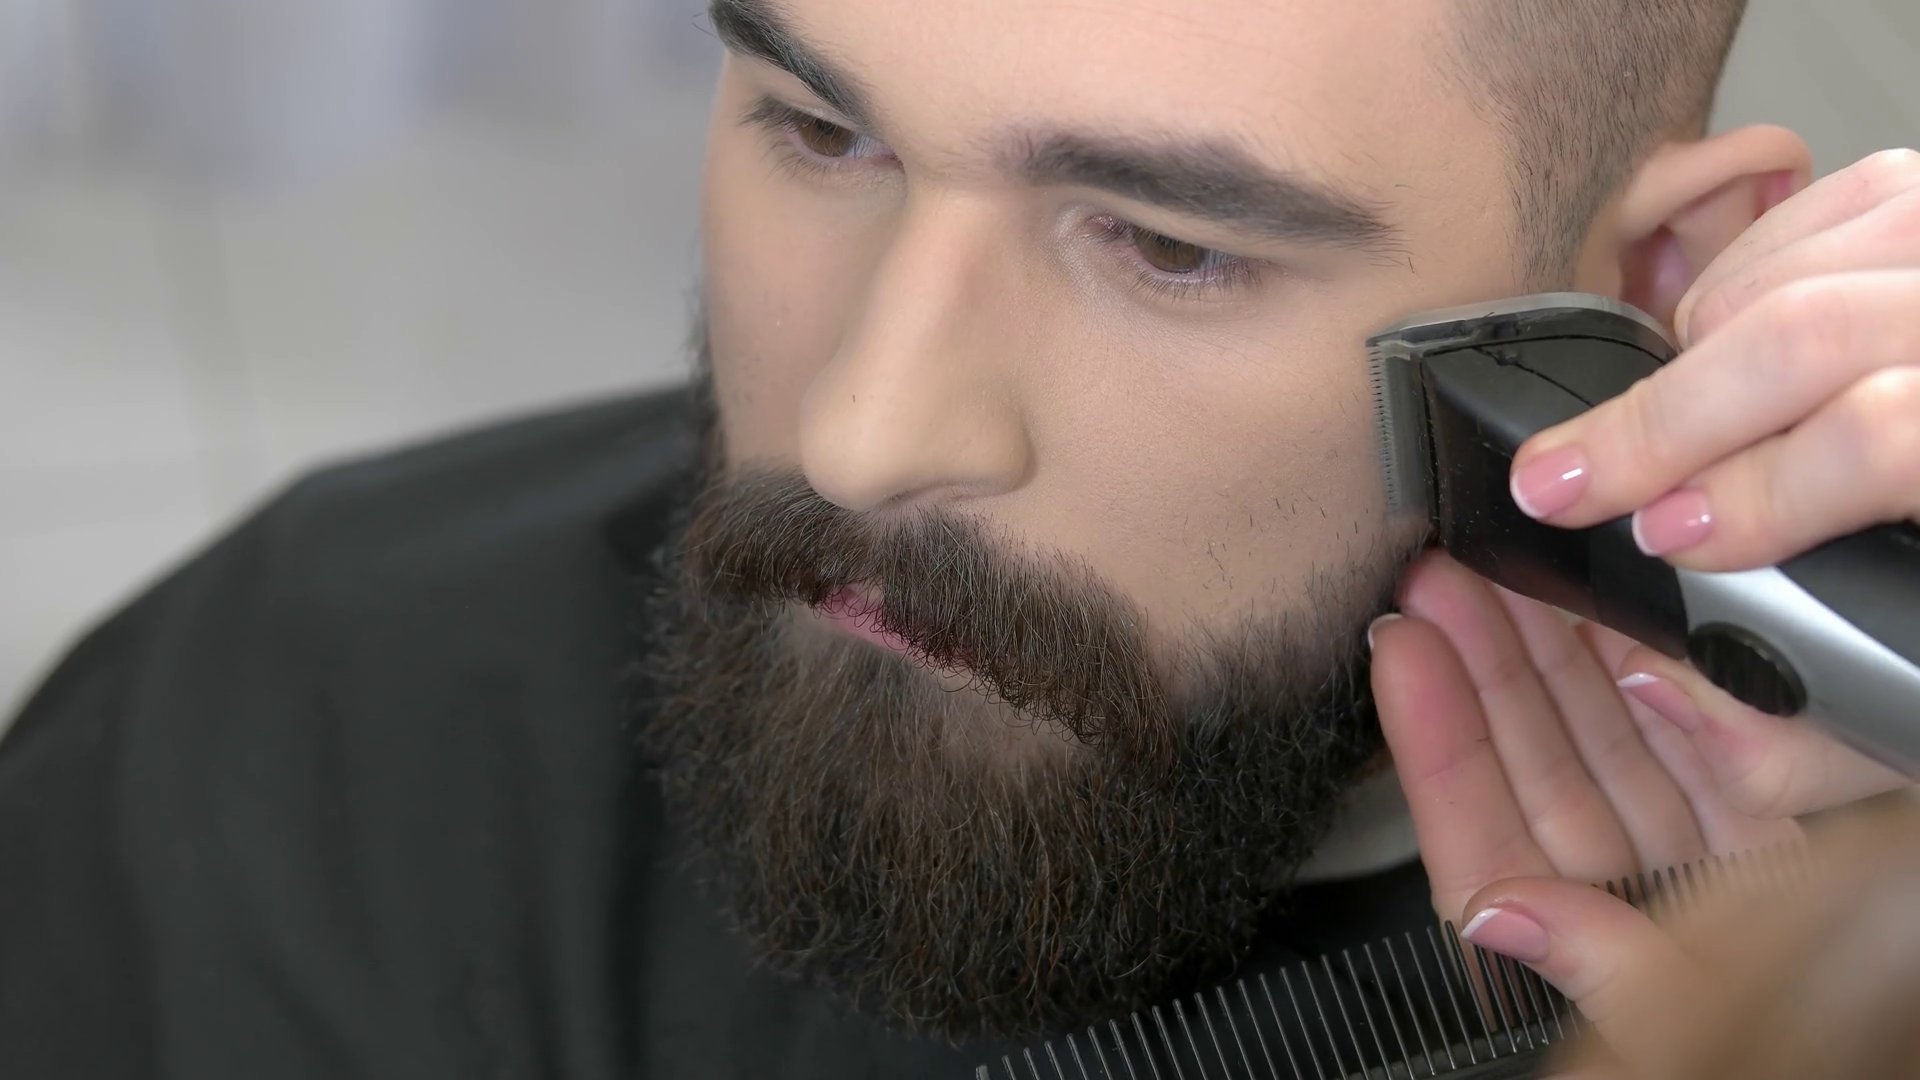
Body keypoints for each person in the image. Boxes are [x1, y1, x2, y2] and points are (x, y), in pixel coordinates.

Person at [1, 0, 1914, 1075]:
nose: (861, 432)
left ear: (1641, 285)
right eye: (825, 133)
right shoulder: (277, 736)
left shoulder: (1821, 980)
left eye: (1168, 242)